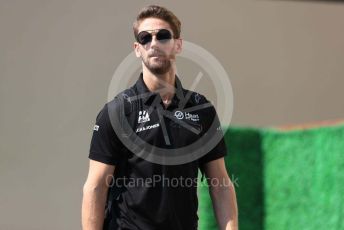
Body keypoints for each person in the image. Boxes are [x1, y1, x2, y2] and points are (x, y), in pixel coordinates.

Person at [82, 5, 238, 230]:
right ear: (137, 49)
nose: (153, 43)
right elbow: (95, 187)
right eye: (145, 38)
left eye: (163, 36)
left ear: (178, 44)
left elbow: (221, 183)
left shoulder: (201, 109)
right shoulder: (117, 111)